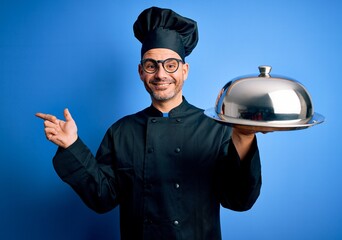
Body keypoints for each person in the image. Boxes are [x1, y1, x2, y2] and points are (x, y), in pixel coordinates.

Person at [36, 6, 262, 240]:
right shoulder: (121, 131)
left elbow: (239, 199)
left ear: (184, 70)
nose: (161, 74)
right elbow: (102, 197)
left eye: (171, 65)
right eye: (151, 65)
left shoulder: (215, 128)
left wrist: (244, 136)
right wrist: (72, 145)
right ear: (141, 71)